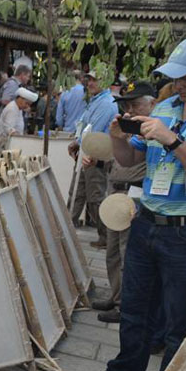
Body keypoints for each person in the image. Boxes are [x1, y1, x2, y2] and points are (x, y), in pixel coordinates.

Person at [76, 36, 186, 371]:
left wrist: (173, 141)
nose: (178, 85)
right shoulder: (166, 107)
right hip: (148, 222)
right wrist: (117, 138)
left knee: (181, 322)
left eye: (185, 78)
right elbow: (130, 160)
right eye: (174, 78)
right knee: (135, 309)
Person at [90, 82, 156, 324]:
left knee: (127, 253)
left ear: (152, 104)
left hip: (134, 194)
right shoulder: (127, 129)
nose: (129, 110)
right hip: (115, 191)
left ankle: (125, 304)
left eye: (136, 104)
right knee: (113, 252)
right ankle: (116, 297)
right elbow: (115, 162)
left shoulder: (151, 131)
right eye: (128, 105)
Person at [67, 69, 118, 248]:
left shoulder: (106, 103)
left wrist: (78, 142)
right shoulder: (95, 100)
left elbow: (93, 130)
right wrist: (76, 141)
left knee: (95, 197)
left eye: (94, 80)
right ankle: (66, 230)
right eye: (89, 79)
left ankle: (106, 237)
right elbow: (84, 126)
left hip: (96, 154)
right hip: (86, 151)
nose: (90, 83)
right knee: (77, 194)